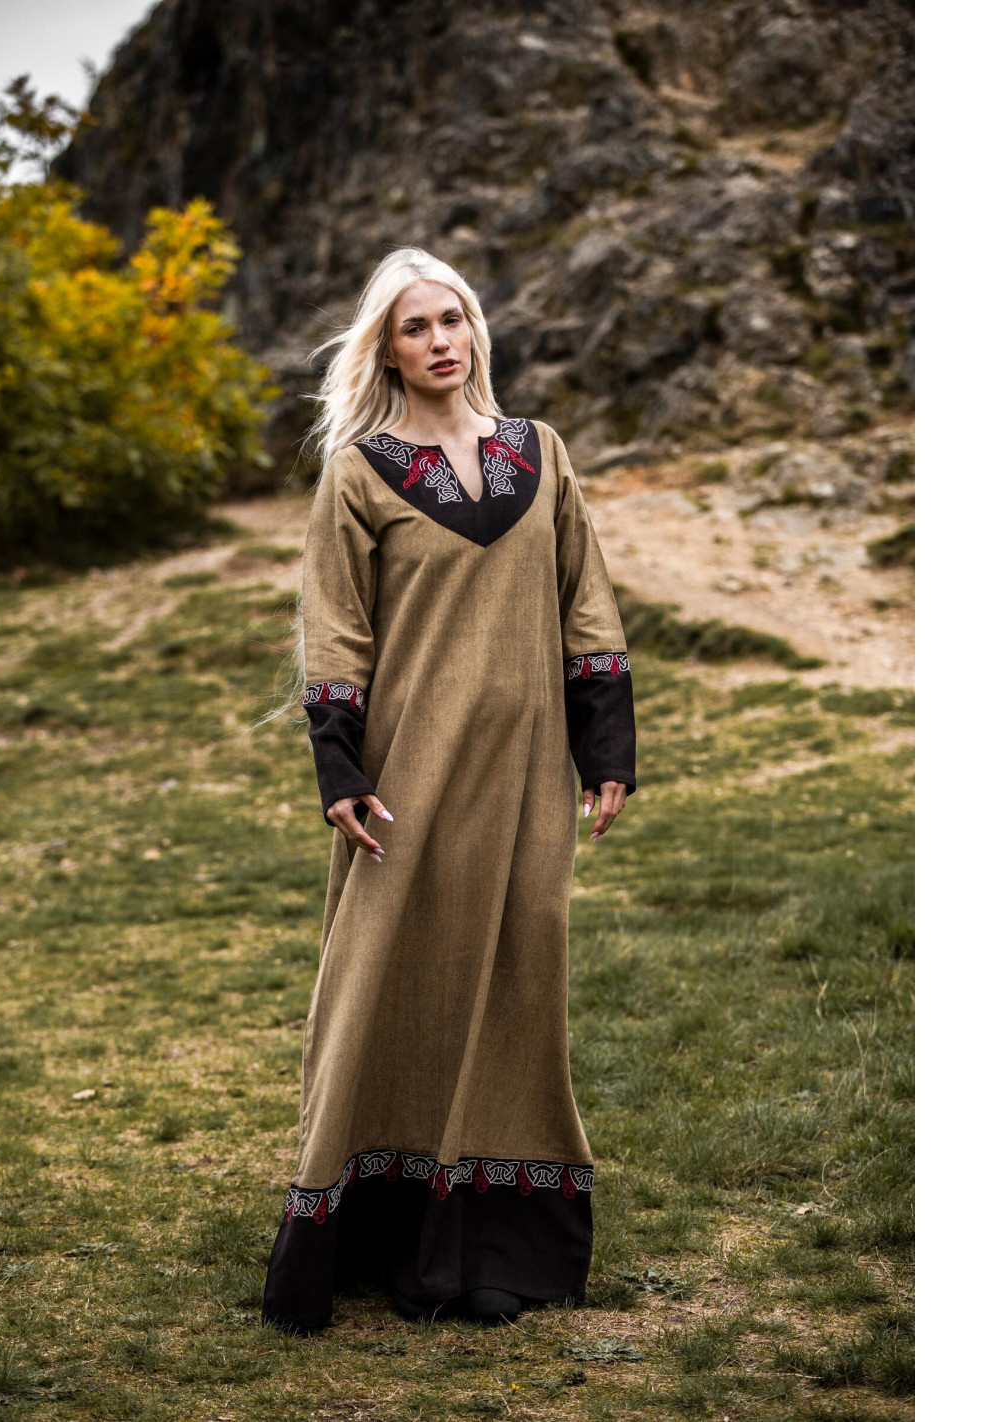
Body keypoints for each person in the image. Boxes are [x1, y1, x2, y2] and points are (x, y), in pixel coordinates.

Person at [260, 246, 636, 1334]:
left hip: (525, 773)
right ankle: (378, 1232)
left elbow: (586, 603)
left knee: (518, 974)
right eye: (416, 326)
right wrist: (339, 765)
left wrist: (605, 748)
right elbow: (336, 629)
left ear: (476, 330)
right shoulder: (359, 473)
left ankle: (488, 1243)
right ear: (386, 350)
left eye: (453, 319)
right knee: (392, 980)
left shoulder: (539, 453)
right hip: (406, 777)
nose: (440, 341)